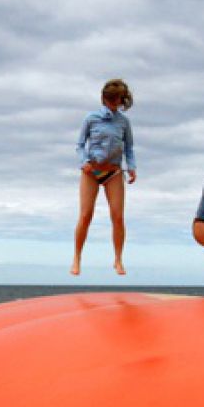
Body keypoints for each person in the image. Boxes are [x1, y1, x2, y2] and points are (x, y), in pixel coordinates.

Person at [72, 78, 137, 276]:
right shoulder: (91, 118)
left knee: (117, 216)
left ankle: (118, 259)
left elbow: (129, 147)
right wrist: (84, 161)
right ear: (105, 99)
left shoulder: (124, 122)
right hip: (91, 171)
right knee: (86, 215)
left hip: (113, 171)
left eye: (117, 100)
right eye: (111, 100)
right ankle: (77, 257)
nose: (114, 103)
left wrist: (131, 167)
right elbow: (80, 145)